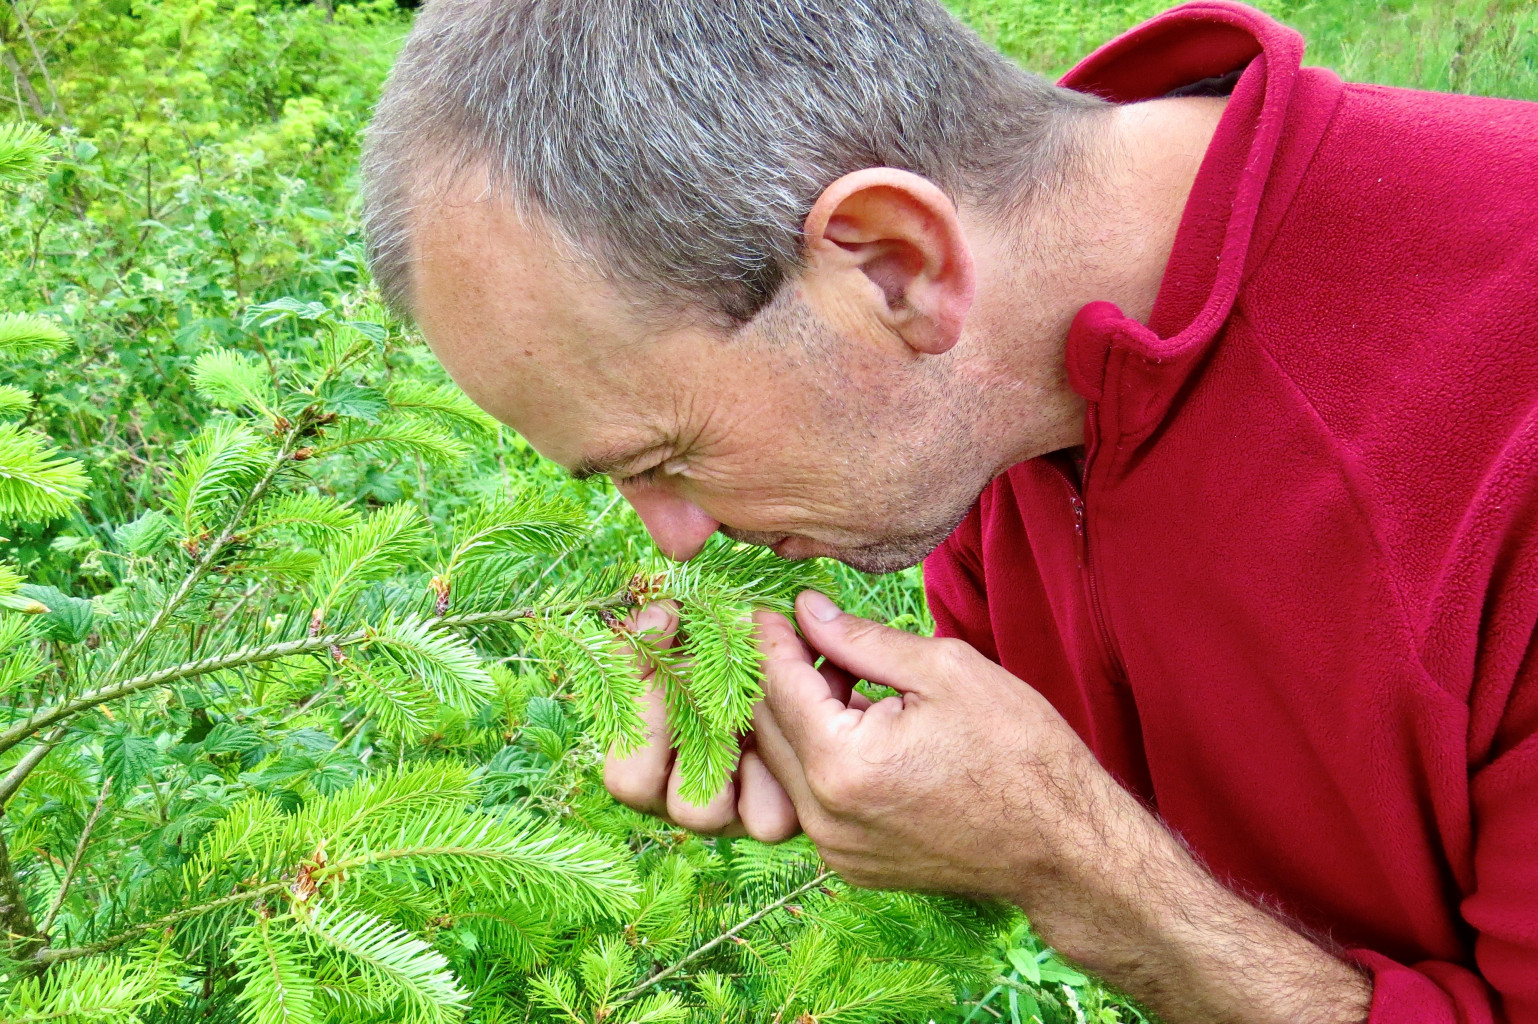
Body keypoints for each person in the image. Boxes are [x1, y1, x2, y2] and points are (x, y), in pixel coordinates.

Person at [359, 1, 1538, 1020]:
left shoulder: (1505, 395)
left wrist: (1072, 866)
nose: (673, 536)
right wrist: (861, 748)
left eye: (665, 458)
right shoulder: (983, 410)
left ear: (891, 262)